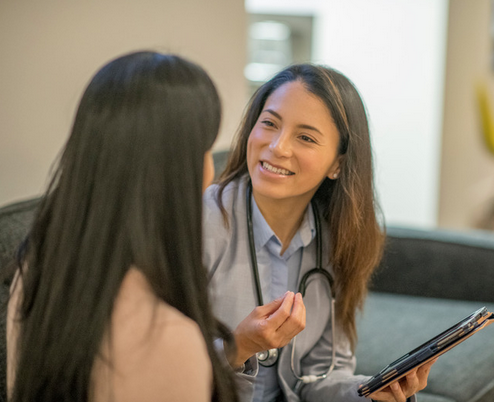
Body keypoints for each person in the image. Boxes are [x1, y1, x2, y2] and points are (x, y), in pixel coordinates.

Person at [4, 51, 238, 402]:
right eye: (205, 149)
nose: (211, 168)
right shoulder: (168, 338)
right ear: (174, 171)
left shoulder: (35, 271)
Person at [203, 64, 436, 402]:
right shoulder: (202, 221)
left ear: (337, 164)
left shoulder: (335, 238)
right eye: (269, 123)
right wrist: (240, 347)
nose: (278, 147)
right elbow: (154, 367)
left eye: (306, 137)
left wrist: (369, 394)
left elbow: (321, 375)